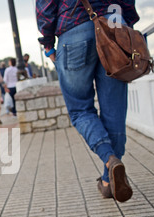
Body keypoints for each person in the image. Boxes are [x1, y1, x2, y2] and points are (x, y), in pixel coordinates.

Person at [36, 0, 140, 202]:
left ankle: (109, 161)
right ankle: (108, 181)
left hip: (75, 28)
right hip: (114, 25)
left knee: (80, 110)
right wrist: (127, 26)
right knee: (114, 112)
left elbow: (45, 8)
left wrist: (48, 45)